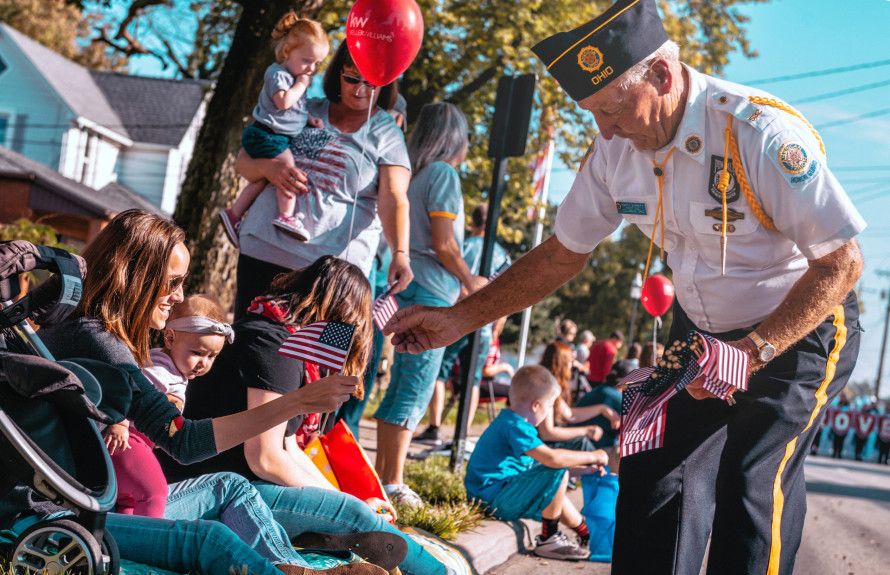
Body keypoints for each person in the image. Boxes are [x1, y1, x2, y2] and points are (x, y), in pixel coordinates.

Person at [384, 1, 865, 573]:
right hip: (702, 330)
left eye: (612, 109)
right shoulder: (615, 149)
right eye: (592, 114)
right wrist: (459, 319)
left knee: (751, 477)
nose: (605, 131)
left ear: (662, 75)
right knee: (654, 466)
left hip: (796, 326)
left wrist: (752, 352)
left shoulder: (756, 132)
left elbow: (841, 264)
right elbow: (562, 253)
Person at [33, 210, 388, 575]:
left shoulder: (77, 327)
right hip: (77, 516)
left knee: (231, 487)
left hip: (102, 500)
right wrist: (295, 402)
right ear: (135, 275)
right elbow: (184, 442)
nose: (179, 296)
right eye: (172, 282)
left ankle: (295, 568)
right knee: (211, 539)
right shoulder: (100, 344)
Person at [162, 256, 450, 575]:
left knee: (350, 510)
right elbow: (265, 457)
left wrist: (337, 498)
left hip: (243, 485)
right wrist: (343, 507)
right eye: (352, 326)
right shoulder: (271, 342)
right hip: (207, 489)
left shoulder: (290, 344)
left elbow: (289, 447)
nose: (348, 340)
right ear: (338, 312)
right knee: (354, 516)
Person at [232, 41, 413, 320]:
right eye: (351, 78)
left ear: (386, 85)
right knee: (251, 350)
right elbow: (242, 163)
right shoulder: (303, 108)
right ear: (336, 75)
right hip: (263, 250)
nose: (360, 89)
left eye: (371, 83)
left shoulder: (388, 134)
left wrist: (401, 253)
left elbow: (394, 198)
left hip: (335, 274)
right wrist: (269, 169)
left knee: (329, 359)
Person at [374, 102, 485, 508]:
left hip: (407, 286)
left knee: (402, 385)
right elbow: (445, 243)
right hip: (433, 293)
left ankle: (384, 477)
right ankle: (395, 482)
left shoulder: (416, 174)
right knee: (416, 388)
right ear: (455, 139)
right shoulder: (444, 174)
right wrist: (470, 280)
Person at [464, 365, 609, 561]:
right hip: (494, 499)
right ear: (536, 405)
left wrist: (584, 471)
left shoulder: (512, 423)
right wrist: (594, 456)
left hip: (494, 496)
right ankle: (548, 539)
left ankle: (585, 532)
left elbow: (537, 469)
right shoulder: (515, 426)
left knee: (557, 475)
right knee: (558, 471)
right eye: (550, 406)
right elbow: (552, 459)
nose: (550, 411)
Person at [108, 294, 232, 518]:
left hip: (140, 443)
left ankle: (124, 546)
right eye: (197, 353)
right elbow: (127, 389)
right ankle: (152, 542)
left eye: (212, 356)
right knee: (155, 492)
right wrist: (120, 422)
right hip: (127, 440)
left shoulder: (175, 372)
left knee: (129, 503)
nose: (203, 363)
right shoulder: (161, 369)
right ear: (170, 338)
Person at [220, 13, 330, 243]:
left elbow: (293, 110)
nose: (311, 69)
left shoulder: (295, 76)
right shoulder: (277, 73)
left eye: (316, 64)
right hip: (267, 135)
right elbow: (283, 102)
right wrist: (300, 85)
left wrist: (308, 119)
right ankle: (286, 216)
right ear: (288, 51)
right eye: (307, 60)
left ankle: (233, 214)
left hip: (273, 136)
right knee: (287, 170)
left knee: (260, 180)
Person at [415, 203, 512, 446]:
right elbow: (505, 296)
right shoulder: (503, 255)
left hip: (458, 315)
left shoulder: (463, 247)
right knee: (474, 379)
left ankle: (435, 426)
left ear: (473, 221)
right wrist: (496, 326)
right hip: (485, 323)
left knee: (441, 371)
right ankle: (462, 436)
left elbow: (450, 279)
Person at [537, 341, 620, 451]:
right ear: (561, 363)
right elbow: (546, 433)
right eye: (571, 361)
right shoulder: (546, 388)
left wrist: (602, 409)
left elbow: (569, 414)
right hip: (542, 448)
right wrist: (585, 431)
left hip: (544, 444)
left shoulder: (548, 384)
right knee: (584, 445)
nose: (573, 365)